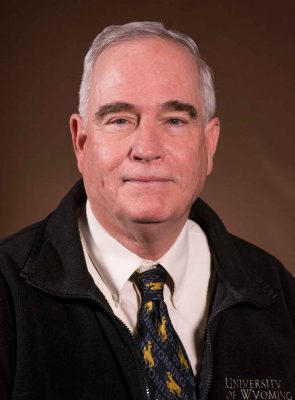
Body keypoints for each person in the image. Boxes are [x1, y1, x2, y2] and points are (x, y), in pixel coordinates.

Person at [0, 21, 294, 400]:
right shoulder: (6, 294)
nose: (147, 148)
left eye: (174, 121)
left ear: (209, 144)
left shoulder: (280, 298)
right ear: (81, 142)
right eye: (120, 119)